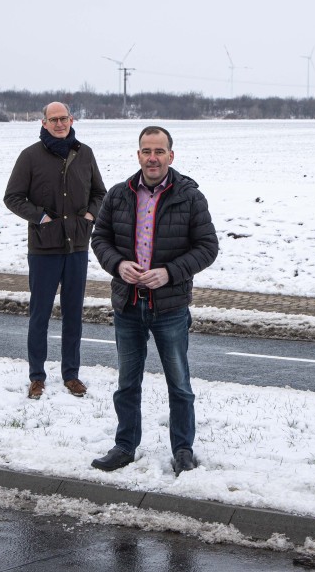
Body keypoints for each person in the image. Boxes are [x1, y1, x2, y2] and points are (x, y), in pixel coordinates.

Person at [90, 126, 218, 476]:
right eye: (146, 151)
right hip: (128, 305)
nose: (153, 157)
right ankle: (125, 446)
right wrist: (117, 264)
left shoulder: (190, 197)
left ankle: (183, 450)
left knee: (179, 384)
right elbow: (99, 238)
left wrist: (170, 272)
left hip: (170, 307)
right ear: (138, 155)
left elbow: (208, 248)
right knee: (127, 383)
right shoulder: (118, 195)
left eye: (159, 151)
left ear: (171, 156)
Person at [4, 102, 106, 400]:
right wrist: (41, 217)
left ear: (71, 120)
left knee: (73, 314)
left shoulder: (84, 153)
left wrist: (90, 216)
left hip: (76, 247)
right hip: (44, 248)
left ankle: (71, 375)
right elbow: (12, 197)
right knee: (40, 314)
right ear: (44, 122)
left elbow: (100, 193)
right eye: (54, 119)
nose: (59, 124)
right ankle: (37, 376)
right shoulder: (30, 156)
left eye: (64, 119)